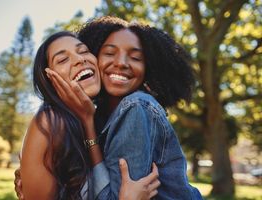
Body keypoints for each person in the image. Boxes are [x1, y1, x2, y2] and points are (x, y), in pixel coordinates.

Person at [46, 16, 203, 199]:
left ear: (148, 68)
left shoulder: (136, 107)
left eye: (135, 57)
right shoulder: (97, 115)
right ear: (93, 58)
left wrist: (87, 124)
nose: (121, 62)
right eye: (110, 53)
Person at [19, 31, 160, 200]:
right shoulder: (49, 123)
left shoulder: (101, 119)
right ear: (49, 80)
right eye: (63, 59)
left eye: (84, 51)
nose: (80, 59)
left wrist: (88, 122)